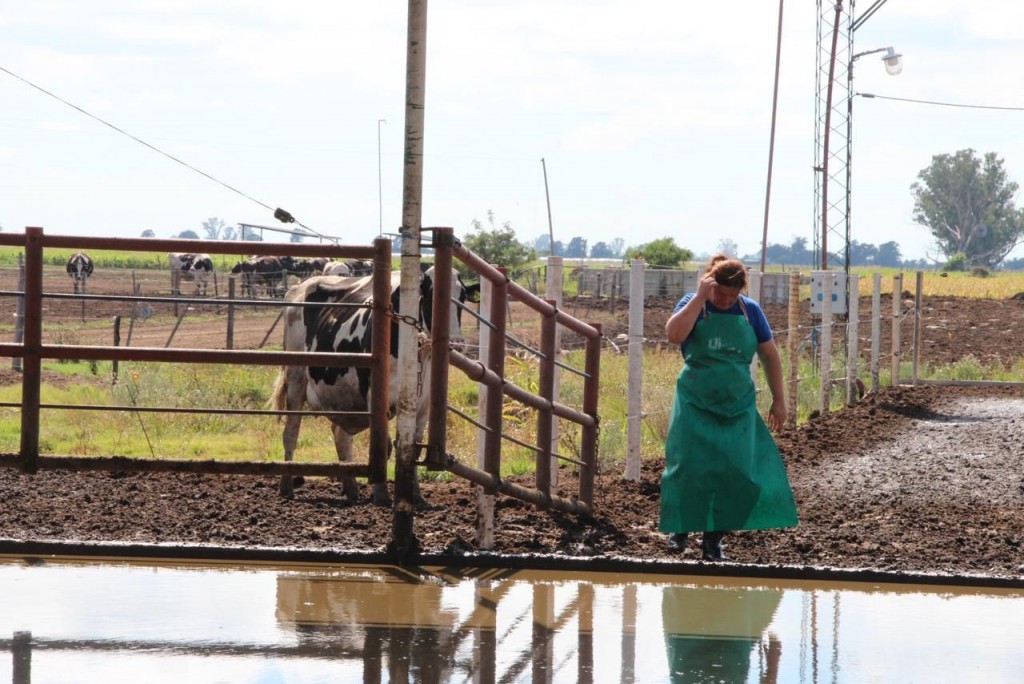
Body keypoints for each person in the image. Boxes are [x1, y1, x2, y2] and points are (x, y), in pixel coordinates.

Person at [659, 254, 798, 560]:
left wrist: (779, 400)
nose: (725, 301)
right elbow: (674, 335)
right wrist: (699, 298)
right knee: (689, 465)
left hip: (737, 404)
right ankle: (680, 528)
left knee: (735, 472)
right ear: (710, 283)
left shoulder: (751, 312)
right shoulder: (693, 303)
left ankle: (713, 539)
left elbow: (770, 356)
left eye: (731, 296)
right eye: (720, 293)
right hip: (695, 400)